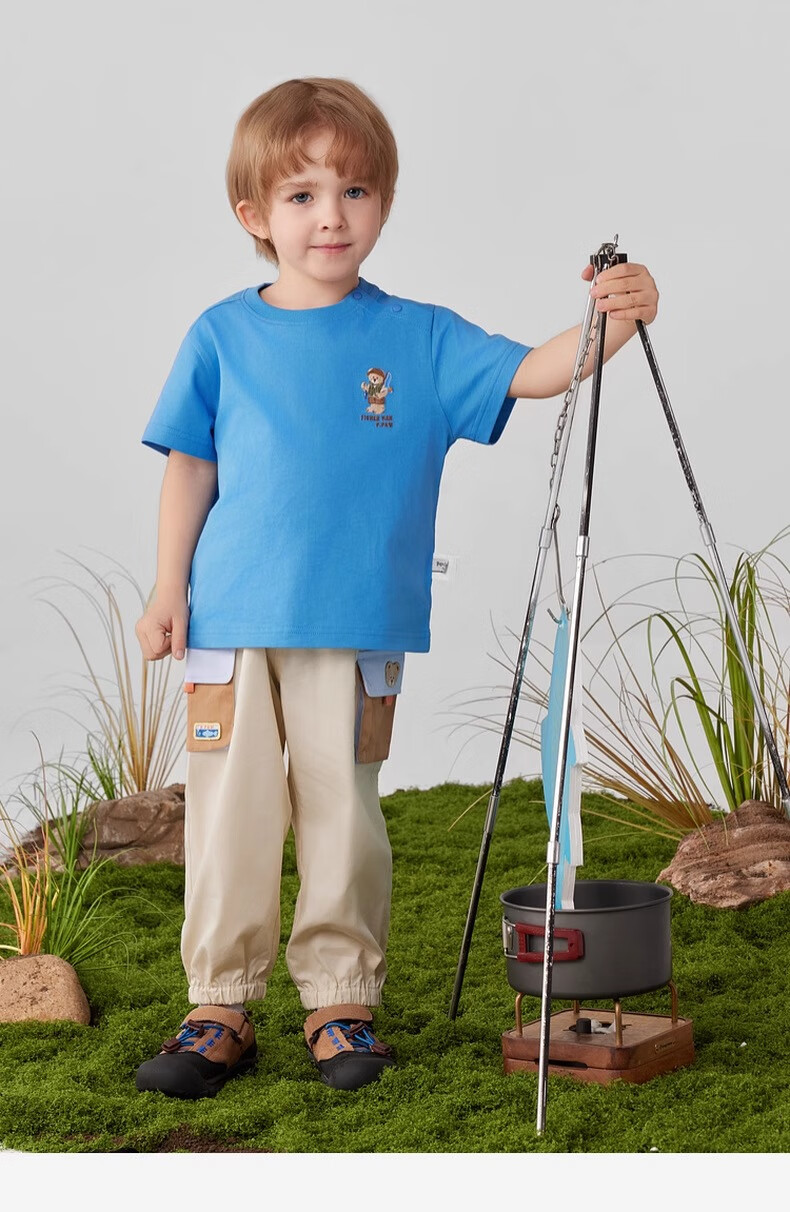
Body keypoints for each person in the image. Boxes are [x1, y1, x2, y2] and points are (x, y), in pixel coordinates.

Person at [133, 76, 659, 1100]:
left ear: (383, 203)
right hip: (230, 626)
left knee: (344, 814)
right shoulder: (220, 336)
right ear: (253, 215)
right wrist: (166, 589)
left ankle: (340, 1001)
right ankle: (219, 1005)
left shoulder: (419, 338)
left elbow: (536, 371)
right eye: (302, 195)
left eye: (355, 191)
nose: (331, 215)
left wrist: (616, 319)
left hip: (357, 625)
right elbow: (189, 467)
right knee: (229, 817)